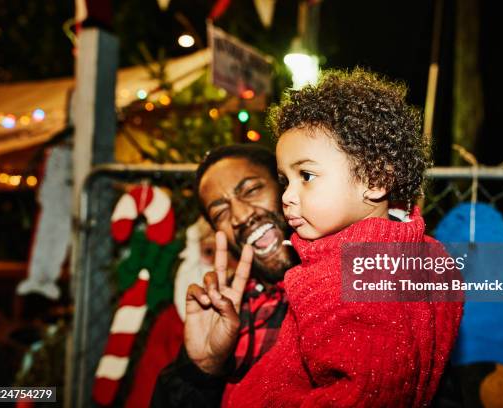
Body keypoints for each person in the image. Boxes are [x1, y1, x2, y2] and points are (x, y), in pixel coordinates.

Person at [221, 69, 464, 407]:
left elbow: (365, 395)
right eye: (284, 180)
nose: (287, 196)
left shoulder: (340, 279)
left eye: (306, 176)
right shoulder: (430, 256)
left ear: (375, 179)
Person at [151, 144, 299, 407]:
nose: (241, 216)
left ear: (285, 185)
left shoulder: (357, 266)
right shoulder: (223, 308)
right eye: (221, 212)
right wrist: (202, 370)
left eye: (252, 190)